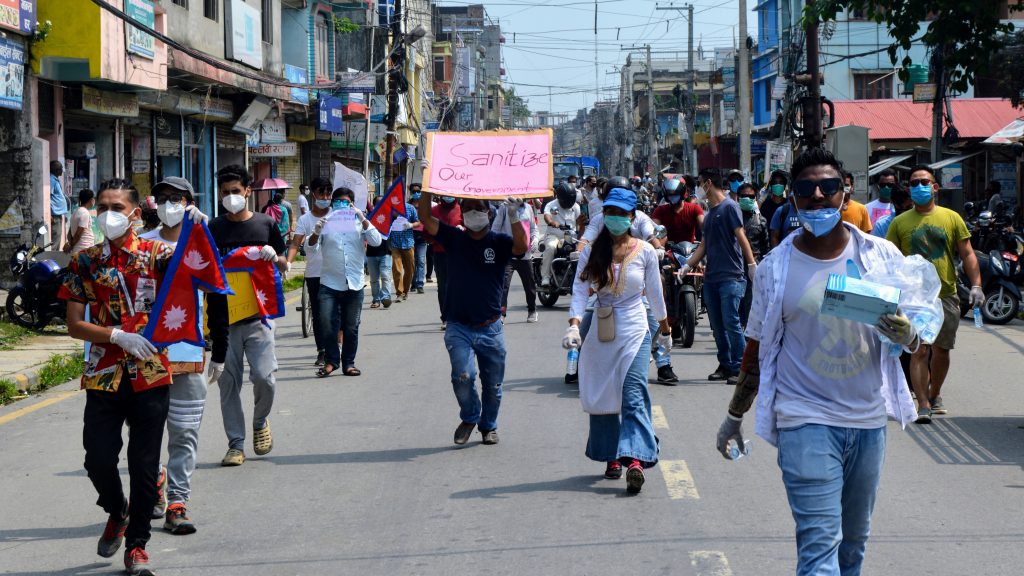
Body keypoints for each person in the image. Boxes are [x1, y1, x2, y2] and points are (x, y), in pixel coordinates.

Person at [715, 147, 919, 576]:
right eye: (807, 190)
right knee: (819, 547)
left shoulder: (881, 257)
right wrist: (734, 415)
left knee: (854, 544)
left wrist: (911, 336)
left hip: (867, 421)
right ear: (793, 199)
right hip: (804, 420)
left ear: (846, 194)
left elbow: (917, 331)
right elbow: (754, 349)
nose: (818, 197)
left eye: (829, 188)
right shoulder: (774, 269)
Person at [59, 178, 205, 576]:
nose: (109, 214)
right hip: (104, 372)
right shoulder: (85, 261)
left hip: (150, 371)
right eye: (103, 206)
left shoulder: (158, 254)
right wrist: (115, 335)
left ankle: (137, 545)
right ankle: (116, 511)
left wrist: (196, 230)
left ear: (136, 214)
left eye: (117, 207)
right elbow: (74, 324)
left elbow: (202, 271)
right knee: (98, 459)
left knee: (144, 467)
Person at [563, 186, 669, 494]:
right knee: (604, 395)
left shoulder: (645, 251)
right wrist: (574, 324)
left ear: (631, 217)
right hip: (601, 331)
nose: (614, 219)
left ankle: (635, 458)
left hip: (635, 330)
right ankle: (611, 454)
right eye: (609, 213)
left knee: (634, 392)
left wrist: (665, 329)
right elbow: (580, 290)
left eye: (620, 215)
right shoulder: (592, 252)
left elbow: (655, 292)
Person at [418, 191, 529, 445]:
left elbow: (521, 247)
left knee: (493, 385)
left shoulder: (499, 242)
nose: (473, 212)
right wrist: (426, 186)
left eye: (479, 208)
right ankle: (470, 416)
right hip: (459, 326)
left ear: (489, 213)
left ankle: (488, 426)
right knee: (462, 375)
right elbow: (425, 216)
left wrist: (515, 215)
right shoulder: (453, 238)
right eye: (467, 208)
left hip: (491, 327)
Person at [139, 177, 210, 536]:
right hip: (144, 356)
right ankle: (156, 480)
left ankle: (178, 503)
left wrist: (221, 351)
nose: (169, 204)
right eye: (163, 198)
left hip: (188, 353)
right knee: (145, 434)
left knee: (183, 434)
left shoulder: (202, 241)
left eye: (177, 198)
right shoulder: (140, 246)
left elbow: (220, 290)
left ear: (190, 202)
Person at [885, 164, 983, 423]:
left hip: (946, 295)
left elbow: (968, 253)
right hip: (914, 300)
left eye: (924, 182)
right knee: (919, 351)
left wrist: (976, 285)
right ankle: (923, 403)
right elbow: (890, 261)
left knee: (941, 350)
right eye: (914, 183)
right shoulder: (899, 222)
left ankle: (935, 392)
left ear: (935, 187)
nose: (919, 187)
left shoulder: (951, 218)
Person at [207, 165, 287, 467]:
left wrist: (273, 256)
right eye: (225, 193)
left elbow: (282, 262)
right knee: (228, 385)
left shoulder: (265, 224)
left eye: (235, 192)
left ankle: (260, 421)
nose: (230, 197)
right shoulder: (213, 229)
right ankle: (236, 445)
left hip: (259, 318)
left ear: (247, 192)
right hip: (224, 322)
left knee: (265, 378)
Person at [679, 169, 757, 382]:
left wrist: (751, 264)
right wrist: (687, 265)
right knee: (717, 325)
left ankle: (742, 368)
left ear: (708, 183)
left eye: (700, 183)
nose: (698, 188)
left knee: (732, 322)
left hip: (731, 276)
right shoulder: (711, 212)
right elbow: (703, 246)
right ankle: (725, 365)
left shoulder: (730, 207)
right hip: (712, 278)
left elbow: (741, 237)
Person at [309, 187, 382, 377]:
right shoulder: (326, 222)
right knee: (326, 322)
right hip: (329, 282)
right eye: (338, 202)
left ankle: (348, 363)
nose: (342, 205)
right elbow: (310, 250)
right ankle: (331, 360)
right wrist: (317, 232)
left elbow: (376, 241)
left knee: (351, 326)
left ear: (352, 203)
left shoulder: (359, 221)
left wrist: (363, 218)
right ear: (333, 203)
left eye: (346, 202)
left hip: (355, 283)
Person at [287, 177, 333, 366]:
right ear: (313, 194)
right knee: (319, 314)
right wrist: (288, 262)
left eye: (328, 193)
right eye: (321, 193)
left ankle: (336, 345)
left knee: (335, 313)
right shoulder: (306, 220)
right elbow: (296, 243)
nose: (325, 197)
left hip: (336, 272)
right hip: (315, 273)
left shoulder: (338, 214)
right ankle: (322, 350)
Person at [492, 194, 539, 322]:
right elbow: (495, 227)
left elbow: (534, 228)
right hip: (508, 253)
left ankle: (532, 310)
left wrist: (535, 239)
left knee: (529, 285)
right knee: (503, 284)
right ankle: (501, 313)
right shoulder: (504, 207)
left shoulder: (529, 208)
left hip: (526, 254)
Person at [426, 195, 463, 329]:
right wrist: (436, 235)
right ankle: (446, 317)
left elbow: (471, 230)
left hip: (459, 253)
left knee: (459, 285)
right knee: (443, 287)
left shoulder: (462, 210)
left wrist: (462, 230)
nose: (448, 197)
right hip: (440, 253)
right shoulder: (434, 210)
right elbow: (427, 232)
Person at [738, 182, 769, 326]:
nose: (747, 199)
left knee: (751, 303)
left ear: (755, 198)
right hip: (735, 266)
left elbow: (765, 248)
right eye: (743, 196)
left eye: (750, 196)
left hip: (754, 267)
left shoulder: (761, 221)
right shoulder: (732, 219)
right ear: (738, 198)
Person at [540, 181, 581, 287]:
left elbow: (579, 222)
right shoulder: (552, 205)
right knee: (550, 247)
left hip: (571, 237)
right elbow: (547, 215)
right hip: (554, 235)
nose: (569, 203)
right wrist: (551, 222)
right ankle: (546, 276)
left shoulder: (576, 207)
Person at [651, 178, 704, 244]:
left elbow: (703, 225)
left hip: (690, 251)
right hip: (668, 251)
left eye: (675, 194)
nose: (672, 197)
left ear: (683, 193)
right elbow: (653, 230)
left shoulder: (694, 208)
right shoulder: (660, 210)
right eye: (670, 195)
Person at [388, 193, 419, 301]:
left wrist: (411, 225)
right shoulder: (390, 208)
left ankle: (406, 291)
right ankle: (399, 293)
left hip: (408, 242)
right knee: (397, 269)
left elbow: (418, 221)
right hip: (394, 243)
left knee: (410, 269)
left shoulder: (410, 208)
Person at [410, 183, 429, 294]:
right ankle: (413, 283)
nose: (416, 193)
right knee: (412, 262)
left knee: (421, 261)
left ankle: (420, 284)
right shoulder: (407, 205)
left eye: (418, 191)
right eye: (414, 191)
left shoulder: (426, 205)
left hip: (422, 237)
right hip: (410, 237)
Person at [64, 188, 95, 254]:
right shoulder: (84, 213)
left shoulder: (75, 212)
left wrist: (71, 244)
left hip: (78, 249)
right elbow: (78, 233)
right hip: (84, 249)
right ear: (91, 200)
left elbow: (69, 233)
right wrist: (71, 246)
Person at [50, 160, 69, 248]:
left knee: (58, 237)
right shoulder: (52, 180)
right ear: (57, 170)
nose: (62, 171)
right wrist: (50, 214)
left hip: (58, 214)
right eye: (61, 169)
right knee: (56, 239)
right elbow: (48, 196)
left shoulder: (55, 180)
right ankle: (53, 259)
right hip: (54, 215)